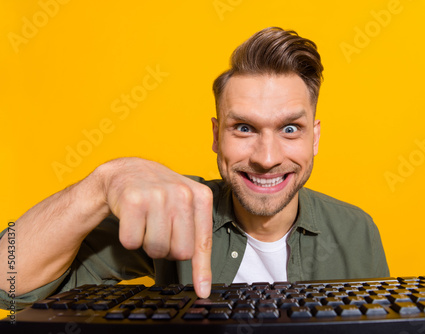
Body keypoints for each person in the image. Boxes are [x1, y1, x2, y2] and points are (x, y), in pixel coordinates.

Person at [0, 27, 389, 310]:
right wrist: (104, 182)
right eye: (244, 128)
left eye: (290, 128)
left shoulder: (357, 231)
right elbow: (8, 278)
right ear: (217, 136)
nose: (267, 157)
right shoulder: (171, 211)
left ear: (315, 138)